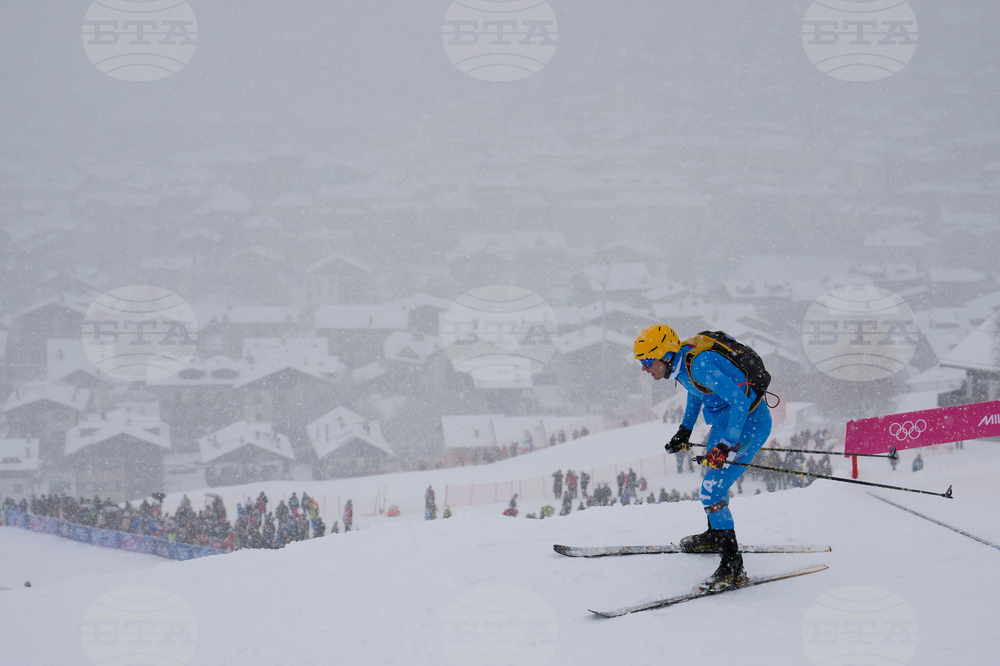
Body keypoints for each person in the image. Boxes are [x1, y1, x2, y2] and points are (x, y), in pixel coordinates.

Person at [634, 324, 773, 591]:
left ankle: (733, 567)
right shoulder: (683, 363)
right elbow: (696, 391)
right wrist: (684, 430)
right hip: (725, 422)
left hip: (748, 424)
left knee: (712, 489)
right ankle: (714, 536)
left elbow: (740, 402)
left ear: (664, 355)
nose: (644, 368)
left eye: (647, 361)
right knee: (711, 481)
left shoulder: (699, 365)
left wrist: (726, 445)